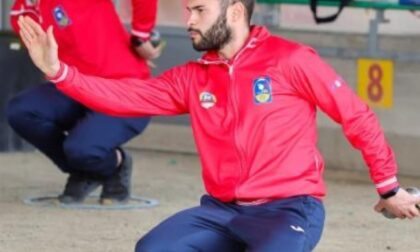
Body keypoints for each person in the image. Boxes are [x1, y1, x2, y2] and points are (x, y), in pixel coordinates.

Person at [18, 0, 420, 251]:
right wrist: (59, 72)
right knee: (153, 249)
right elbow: (127, 97)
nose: (188, 20)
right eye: (188, 10)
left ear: (235, 12)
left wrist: (388, 187)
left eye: (198, 11)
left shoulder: (291, 60)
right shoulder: (192, 77)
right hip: (222, 212)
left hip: (288, 209)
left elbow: (357, 116)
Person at [6, 0, 161, 204]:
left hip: (125, 88)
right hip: (73, 86)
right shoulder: (22, 12)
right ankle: (88, 169)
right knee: (21, 110)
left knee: (82, 149)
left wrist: (141, 35)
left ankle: (115, 164)